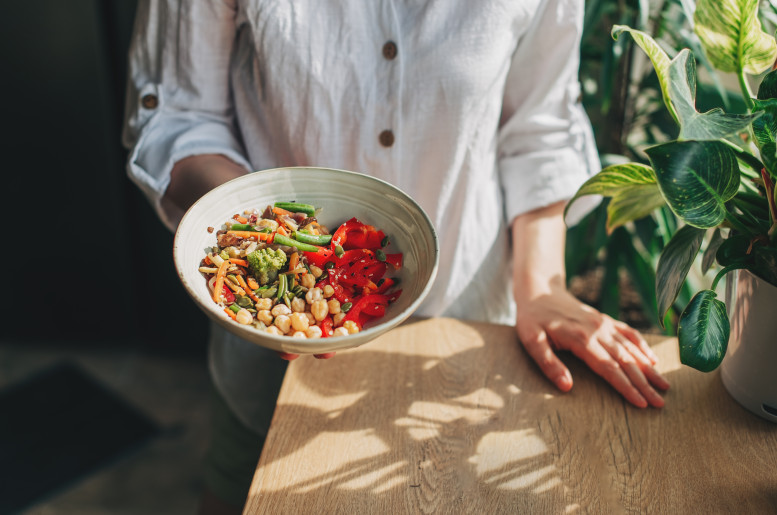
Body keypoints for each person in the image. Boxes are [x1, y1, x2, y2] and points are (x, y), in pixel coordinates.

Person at [123, 0, 670, 511]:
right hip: (270, 367)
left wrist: (544, 288)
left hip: (467, 334)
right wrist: (268, 238)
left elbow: (539, 128)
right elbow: (178, 115)